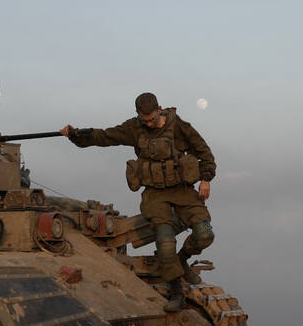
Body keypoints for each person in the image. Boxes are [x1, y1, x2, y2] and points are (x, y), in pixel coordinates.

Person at [61, 93, 215, 312]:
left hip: (183, 191)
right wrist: (76, 135)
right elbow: (105, 136)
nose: (149, 123)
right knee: (164, 243)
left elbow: (204, 151)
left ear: (160, 109)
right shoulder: (134, 128)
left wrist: (206, 179)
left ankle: (183, 258)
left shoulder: (179, 126)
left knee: (205, 233)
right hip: (155, 195)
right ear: (138, 116)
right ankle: (176, 293)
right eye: (145, 120)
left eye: (152, 119)